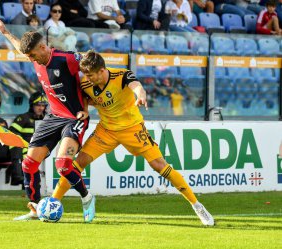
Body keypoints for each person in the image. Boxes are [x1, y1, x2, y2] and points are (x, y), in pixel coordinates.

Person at [51, 50, 215, 226]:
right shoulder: (86, 83)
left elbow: (137, 86)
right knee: (77, 163)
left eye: (91, 75)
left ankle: (196, 205)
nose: (87, 78)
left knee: (159, 165)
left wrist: (141, 95)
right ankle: (53, 202)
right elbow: (85, 97)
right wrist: (84, 109)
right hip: (106, 130)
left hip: (132, 129)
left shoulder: (121, 75)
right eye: (86, 75)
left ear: (101, 70)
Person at [0, 17, 95, 222]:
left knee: (63, 164)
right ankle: (35, 209)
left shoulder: (67, 59)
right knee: (28, 163)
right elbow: (20, 48)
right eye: (28, 55)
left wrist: (86, 107)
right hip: (53, 116)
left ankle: (87, 197)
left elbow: (94, 70)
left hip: (74, 117)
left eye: (32, 55)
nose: (31, 59)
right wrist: (4, 32)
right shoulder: (34, 55)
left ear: (43, 47)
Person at [9, 91, 47, 195]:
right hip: (25, 151)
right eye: (38, 105)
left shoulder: (47, 119)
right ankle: (21, 181)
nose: (41, 108)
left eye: (43, 105)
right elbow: (12, 134)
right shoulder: (23, 118)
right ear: (32, 105)